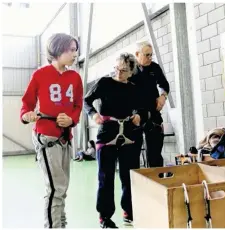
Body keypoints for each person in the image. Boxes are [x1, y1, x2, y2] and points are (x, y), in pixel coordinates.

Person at [20, 33, 82, 228]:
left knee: (62, 189)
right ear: (57, 50)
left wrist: (71, 119)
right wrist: (27, 115)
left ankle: (60, 224)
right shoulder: (40, 75)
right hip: (47, 138)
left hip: (65, 139)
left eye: (75, 50)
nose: (74, 54)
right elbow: (26, 104)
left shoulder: (75, 77)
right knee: (55, 189)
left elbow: (77, 107)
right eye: (70, 50)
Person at [84, 53, 146, 228]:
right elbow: (86, 101)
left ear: (131, 72)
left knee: (129, 176)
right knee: (106, 177)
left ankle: (129, 211)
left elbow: (142, 108)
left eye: (124, 70)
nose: (118, 73)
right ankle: (105, 217)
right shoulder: (104, 83)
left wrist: (139, 116)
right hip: (107, 134)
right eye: (117, 69)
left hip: (128, 135)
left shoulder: (134, 89)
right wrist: (93, 114)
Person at [129, 41, 170, 168]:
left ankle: (156, 183)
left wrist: (163, 96)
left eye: (151, 55)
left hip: (153, 114)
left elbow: (165, 85)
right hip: (135, 116)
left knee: (155, 156)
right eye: (147, 55)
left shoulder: (155, 68)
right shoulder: (129, 69)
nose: (150, 58)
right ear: (137, 54)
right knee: (133, 156)